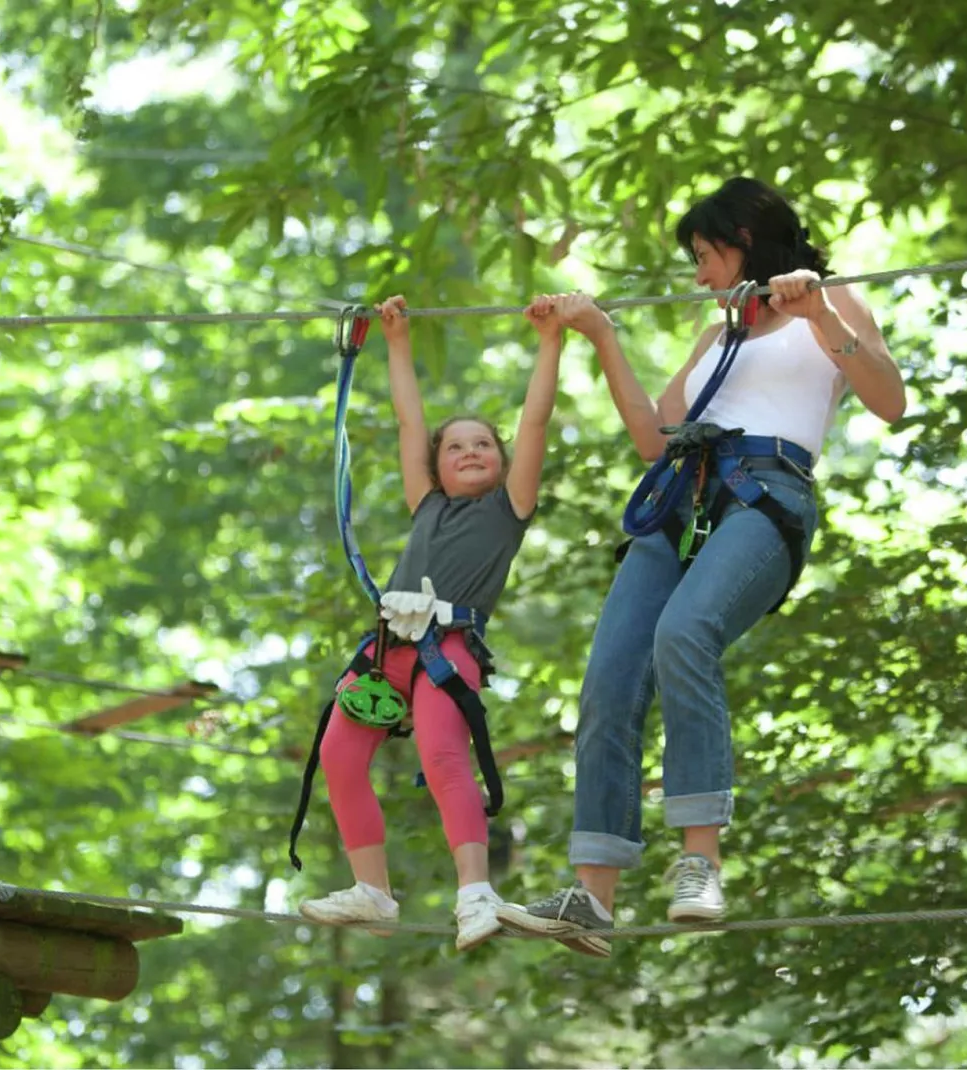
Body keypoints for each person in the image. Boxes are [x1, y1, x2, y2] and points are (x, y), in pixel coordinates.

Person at [497, 177, 907, 957]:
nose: (698, 276)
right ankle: (593, 896)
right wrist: (603, 336)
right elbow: (656, 438)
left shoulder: (831, 300)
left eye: (704, 256)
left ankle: (700, 861)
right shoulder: (720, 330)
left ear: (745, 239)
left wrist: (818, 313)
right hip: (679, 496)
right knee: (611, 674)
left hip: (764, 498)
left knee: (684, 634)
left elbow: (890, 401)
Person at [294, 293, 564, 951]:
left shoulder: (509, 509)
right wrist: (398, 342)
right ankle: (373, 890)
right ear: (436, 467)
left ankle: (477, 893)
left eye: (482, 445)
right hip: (388, 648)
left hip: (448, 649)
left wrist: (552, 343)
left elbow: (533, 424)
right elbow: (408, 421)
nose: (470, 452)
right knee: (337, 751)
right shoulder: (428, 507)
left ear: (500, 461)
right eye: (455, 447)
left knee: (444, 754)